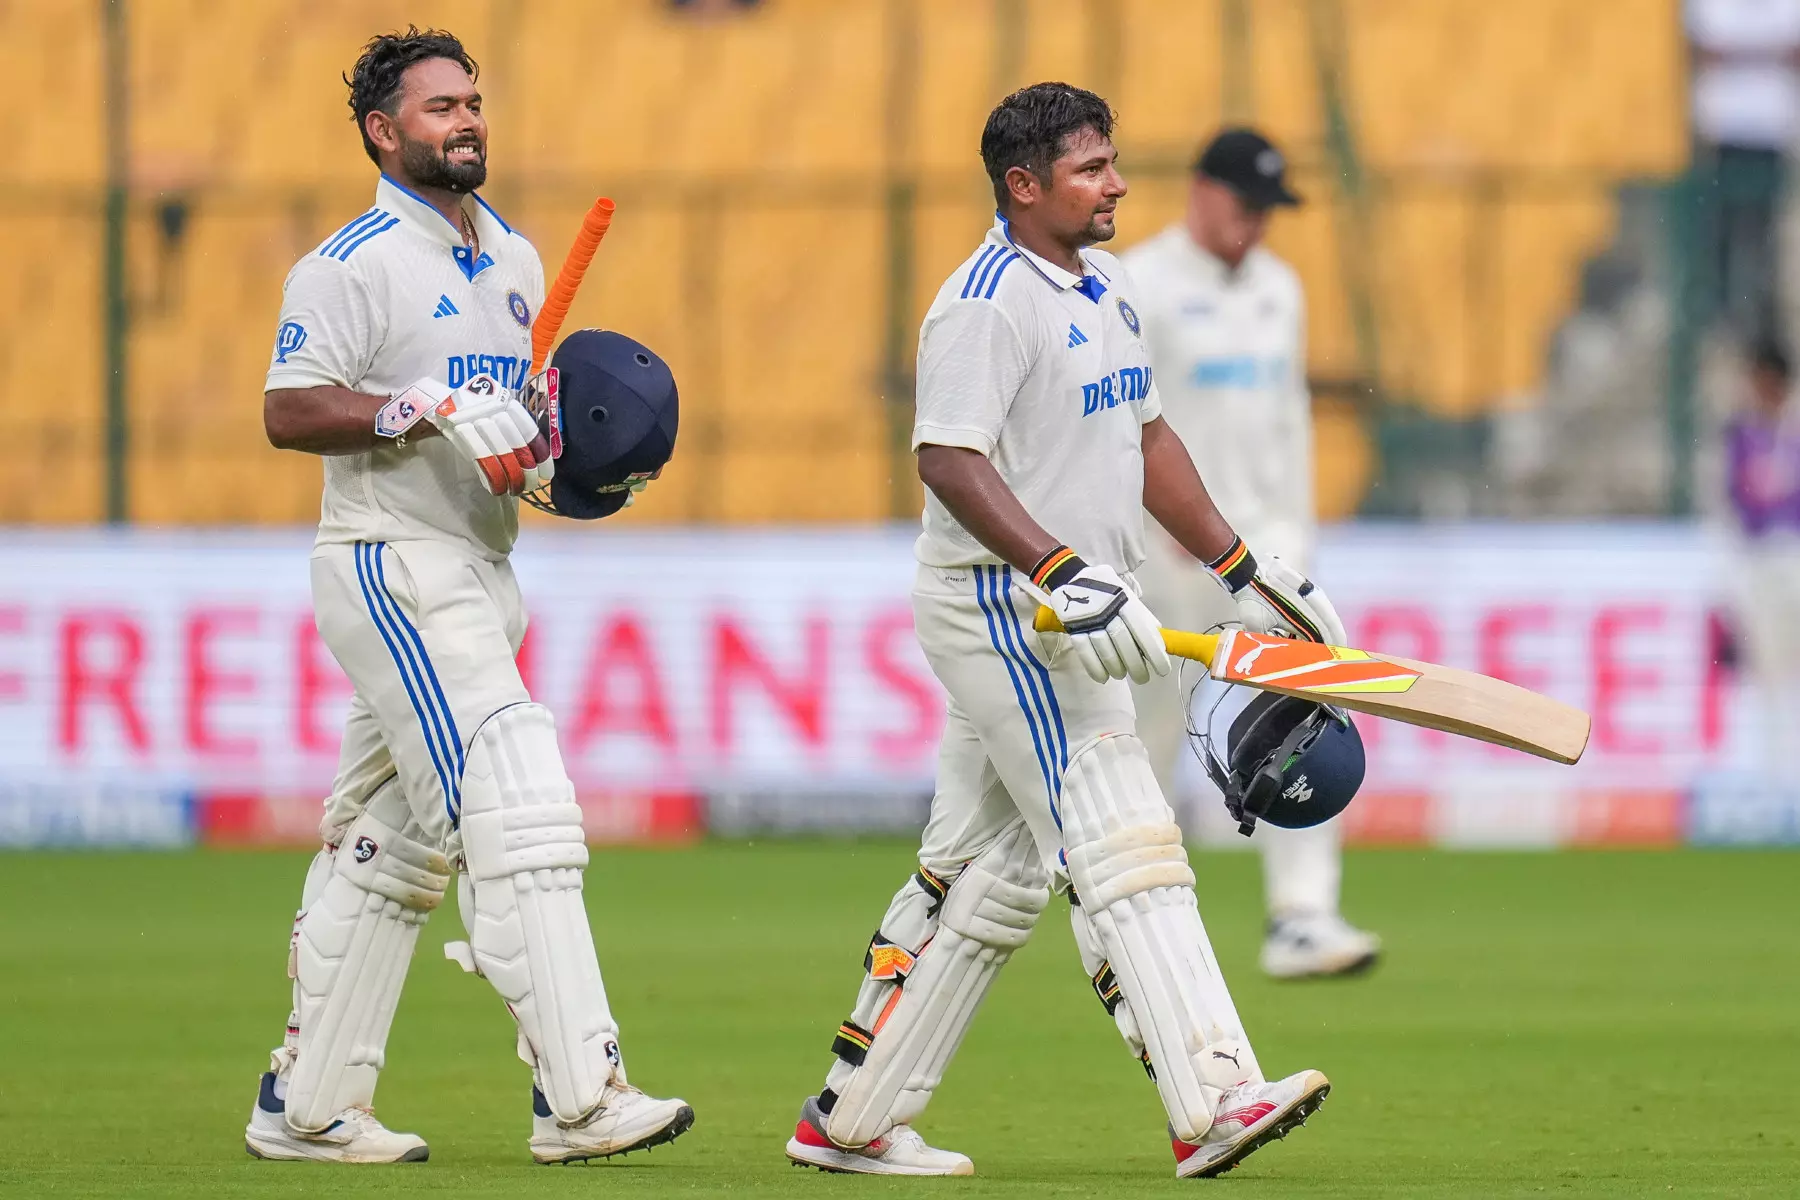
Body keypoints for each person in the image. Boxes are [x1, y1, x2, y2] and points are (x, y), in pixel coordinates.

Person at [783, 83, 1340, 1181]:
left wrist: (1242, 569)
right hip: (1009, 610)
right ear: (1022, 185)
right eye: (1091, 170)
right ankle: (1213, 1100)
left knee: (981, 870)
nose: (1119, 184)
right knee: (1116, 829)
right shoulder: (985, 303)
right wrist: (1060, 571)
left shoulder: (1112, 283)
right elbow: (948, 457)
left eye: (1114, 162)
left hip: (1077, 601)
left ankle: (851, 1118)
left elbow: (1149, 433)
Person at [244, 28, 692, 1165]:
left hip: (483, 570)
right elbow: (290, 410)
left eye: (474, 100)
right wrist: (417, 405)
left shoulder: (517, 261)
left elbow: (518, 429)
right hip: (391, 563)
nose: (468, 119)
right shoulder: (347, 264)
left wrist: (560, 466)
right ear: (383, 133)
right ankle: (580, 1098)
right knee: (518, 802)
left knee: (388, 847)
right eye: (441, 106)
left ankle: (307, 1110)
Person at [1124, 128, 1381, 980]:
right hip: (1167, 553)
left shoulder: (1280, 287)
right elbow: (1119, 424)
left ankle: (1303, 917)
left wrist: (1297, 539)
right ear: (1200, 190)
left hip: (1263, 559)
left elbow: (1289, 424)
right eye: (1247, 205)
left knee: (1306, 715)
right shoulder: (1141, 283)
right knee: (1149, 737)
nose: (1257, 227)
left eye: (1271, 211)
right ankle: (1139, 927)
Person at [1724, 338, 1800, 756]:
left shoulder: (1793, 430)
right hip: (1761, 557)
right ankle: (1777, 767)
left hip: (1795, 553)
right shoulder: (1744, 433)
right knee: (1768, 667)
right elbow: (1738, 497)